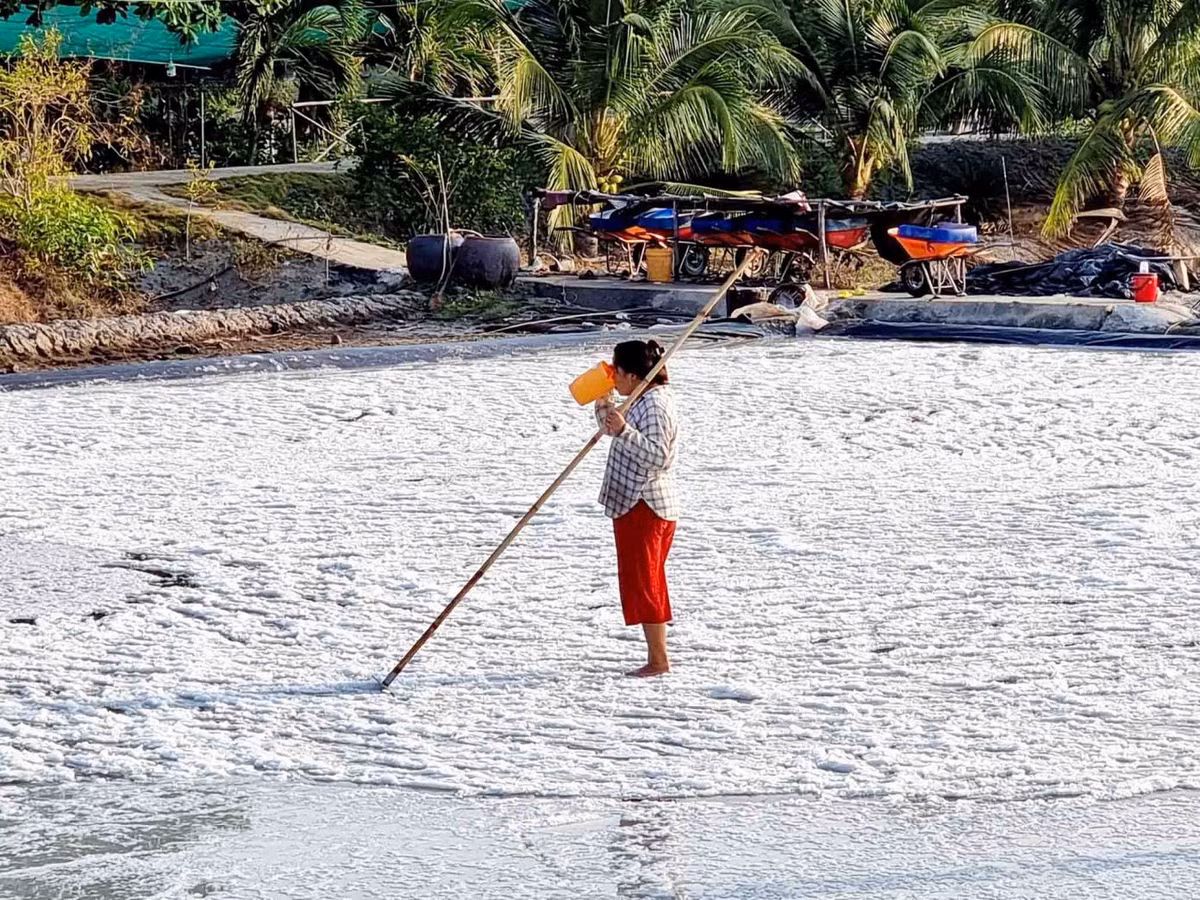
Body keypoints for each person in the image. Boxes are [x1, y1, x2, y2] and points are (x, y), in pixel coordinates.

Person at [594, 339, 679, 677]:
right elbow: (611, 426)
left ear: (631, 375)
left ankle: (659, 660)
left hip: (646, 504)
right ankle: (655, 657)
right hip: (632, 503)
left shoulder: (655, 405)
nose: (612, 376)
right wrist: (603, 404)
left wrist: (625, 431)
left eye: (616, 371)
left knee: (647, 582)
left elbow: (659, 457)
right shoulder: (638, 397)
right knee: (638, 580)